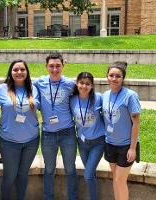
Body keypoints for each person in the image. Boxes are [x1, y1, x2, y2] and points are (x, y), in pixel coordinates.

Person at [0, 59, 40, 200]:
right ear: (10, 72)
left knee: (23, 175)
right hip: (9, 142)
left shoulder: (34, 88)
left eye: (22, 69)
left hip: (31, 141)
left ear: (27, 72)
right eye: (15, 69)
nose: (19, 72)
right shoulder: (2, 89)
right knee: (9, 176)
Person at [34, 53, 77, 200]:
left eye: (58, 65)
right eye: (51, 66)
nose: (55, 69)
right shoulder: (39, 83)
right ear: (46, 67)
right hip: (48, 134)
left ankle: (73, 197)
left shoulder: (71, 84)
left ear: (63, 66)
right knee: (49, 169)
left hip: (68, 133)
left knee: (70, 169)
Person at [102, 62, 140, 200]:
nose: (114, 78)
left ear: (123, 78)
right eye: (111, 75)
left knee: (119, 180)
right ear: (107, 77)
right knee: (116, 179)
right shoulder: (105, 95)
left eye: (118, 76)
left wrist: (133, 148)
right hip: (110, 143)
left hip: (126, 145)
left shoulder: (130, 96)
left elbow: (136, 122)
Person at [70, 72, 105, 200]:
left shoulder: (99, 98)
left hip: (98, 142)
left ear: (92, 86)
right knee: (91, 174)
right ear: (77, 83)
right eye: (82, 83)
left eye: (88, 84)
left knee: (88, 175)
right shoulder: (72, 100)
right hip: (82, 143)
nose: (84, 86)